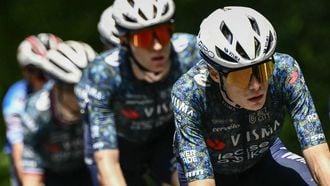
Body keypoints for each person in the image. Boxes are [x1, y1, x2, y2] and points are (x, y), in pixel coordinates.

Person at [171, 6, 330, 186]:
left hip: (265, 159)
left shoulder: (284, 71)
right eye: (241, 76)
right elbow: (202, 182)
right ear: (215, 74)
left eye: (263, 70)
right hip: (213, 173)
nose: (256, 85)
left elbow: (318, 154)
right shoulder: (190, 92)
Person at [75, 0, 201, 185]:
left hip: (166, 134)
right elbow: (107, 160)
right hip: (119, 142)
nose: (157, 46)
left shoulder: (191, 51)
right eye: (144, 38)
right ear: (124, 41)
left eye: (164, 33)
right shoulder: (103, 74)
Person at [21, 40, 96, 186]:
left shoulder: (100, 102)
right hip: (51, 173)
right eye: (76, 88)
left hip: (86, 168)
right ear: (58, 88)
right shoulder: (36, 114)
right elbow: (31, 176)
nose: (86, 95)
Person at [2, 33, 62, 186]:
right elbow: (19, 148)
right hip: (33, 164)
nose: (51, 81)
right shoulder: (17, 97)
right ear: (27, 73)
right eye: (43, 75)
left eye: (57, 71)